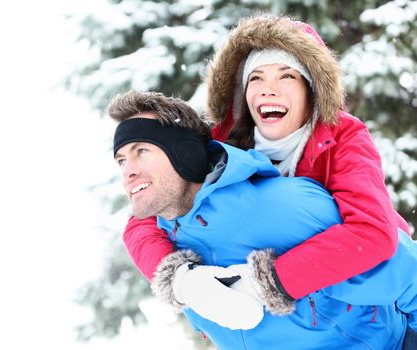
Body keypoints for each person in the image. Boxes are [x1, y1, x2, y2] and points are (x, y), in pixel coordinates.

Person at [121, 14, 411, 316]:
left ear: (310, 90)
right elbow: (145, 215)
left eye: (287, 76)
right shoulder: (222, 145)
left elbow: (372, 232)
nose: (268, 89)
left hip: (374, 305)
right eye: (256, 77)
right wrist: (181, 280)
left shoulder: (343, 137)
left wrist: (270, 281)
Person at [109, 90, 416, 349]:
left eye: (142, 151)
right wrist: (180, 281)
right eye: (121, 160)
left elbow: (407, 273)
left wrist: (275, 279)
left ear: (185, 154)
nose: (128, 170)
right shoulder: (171, 247)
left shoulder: (282, 207)